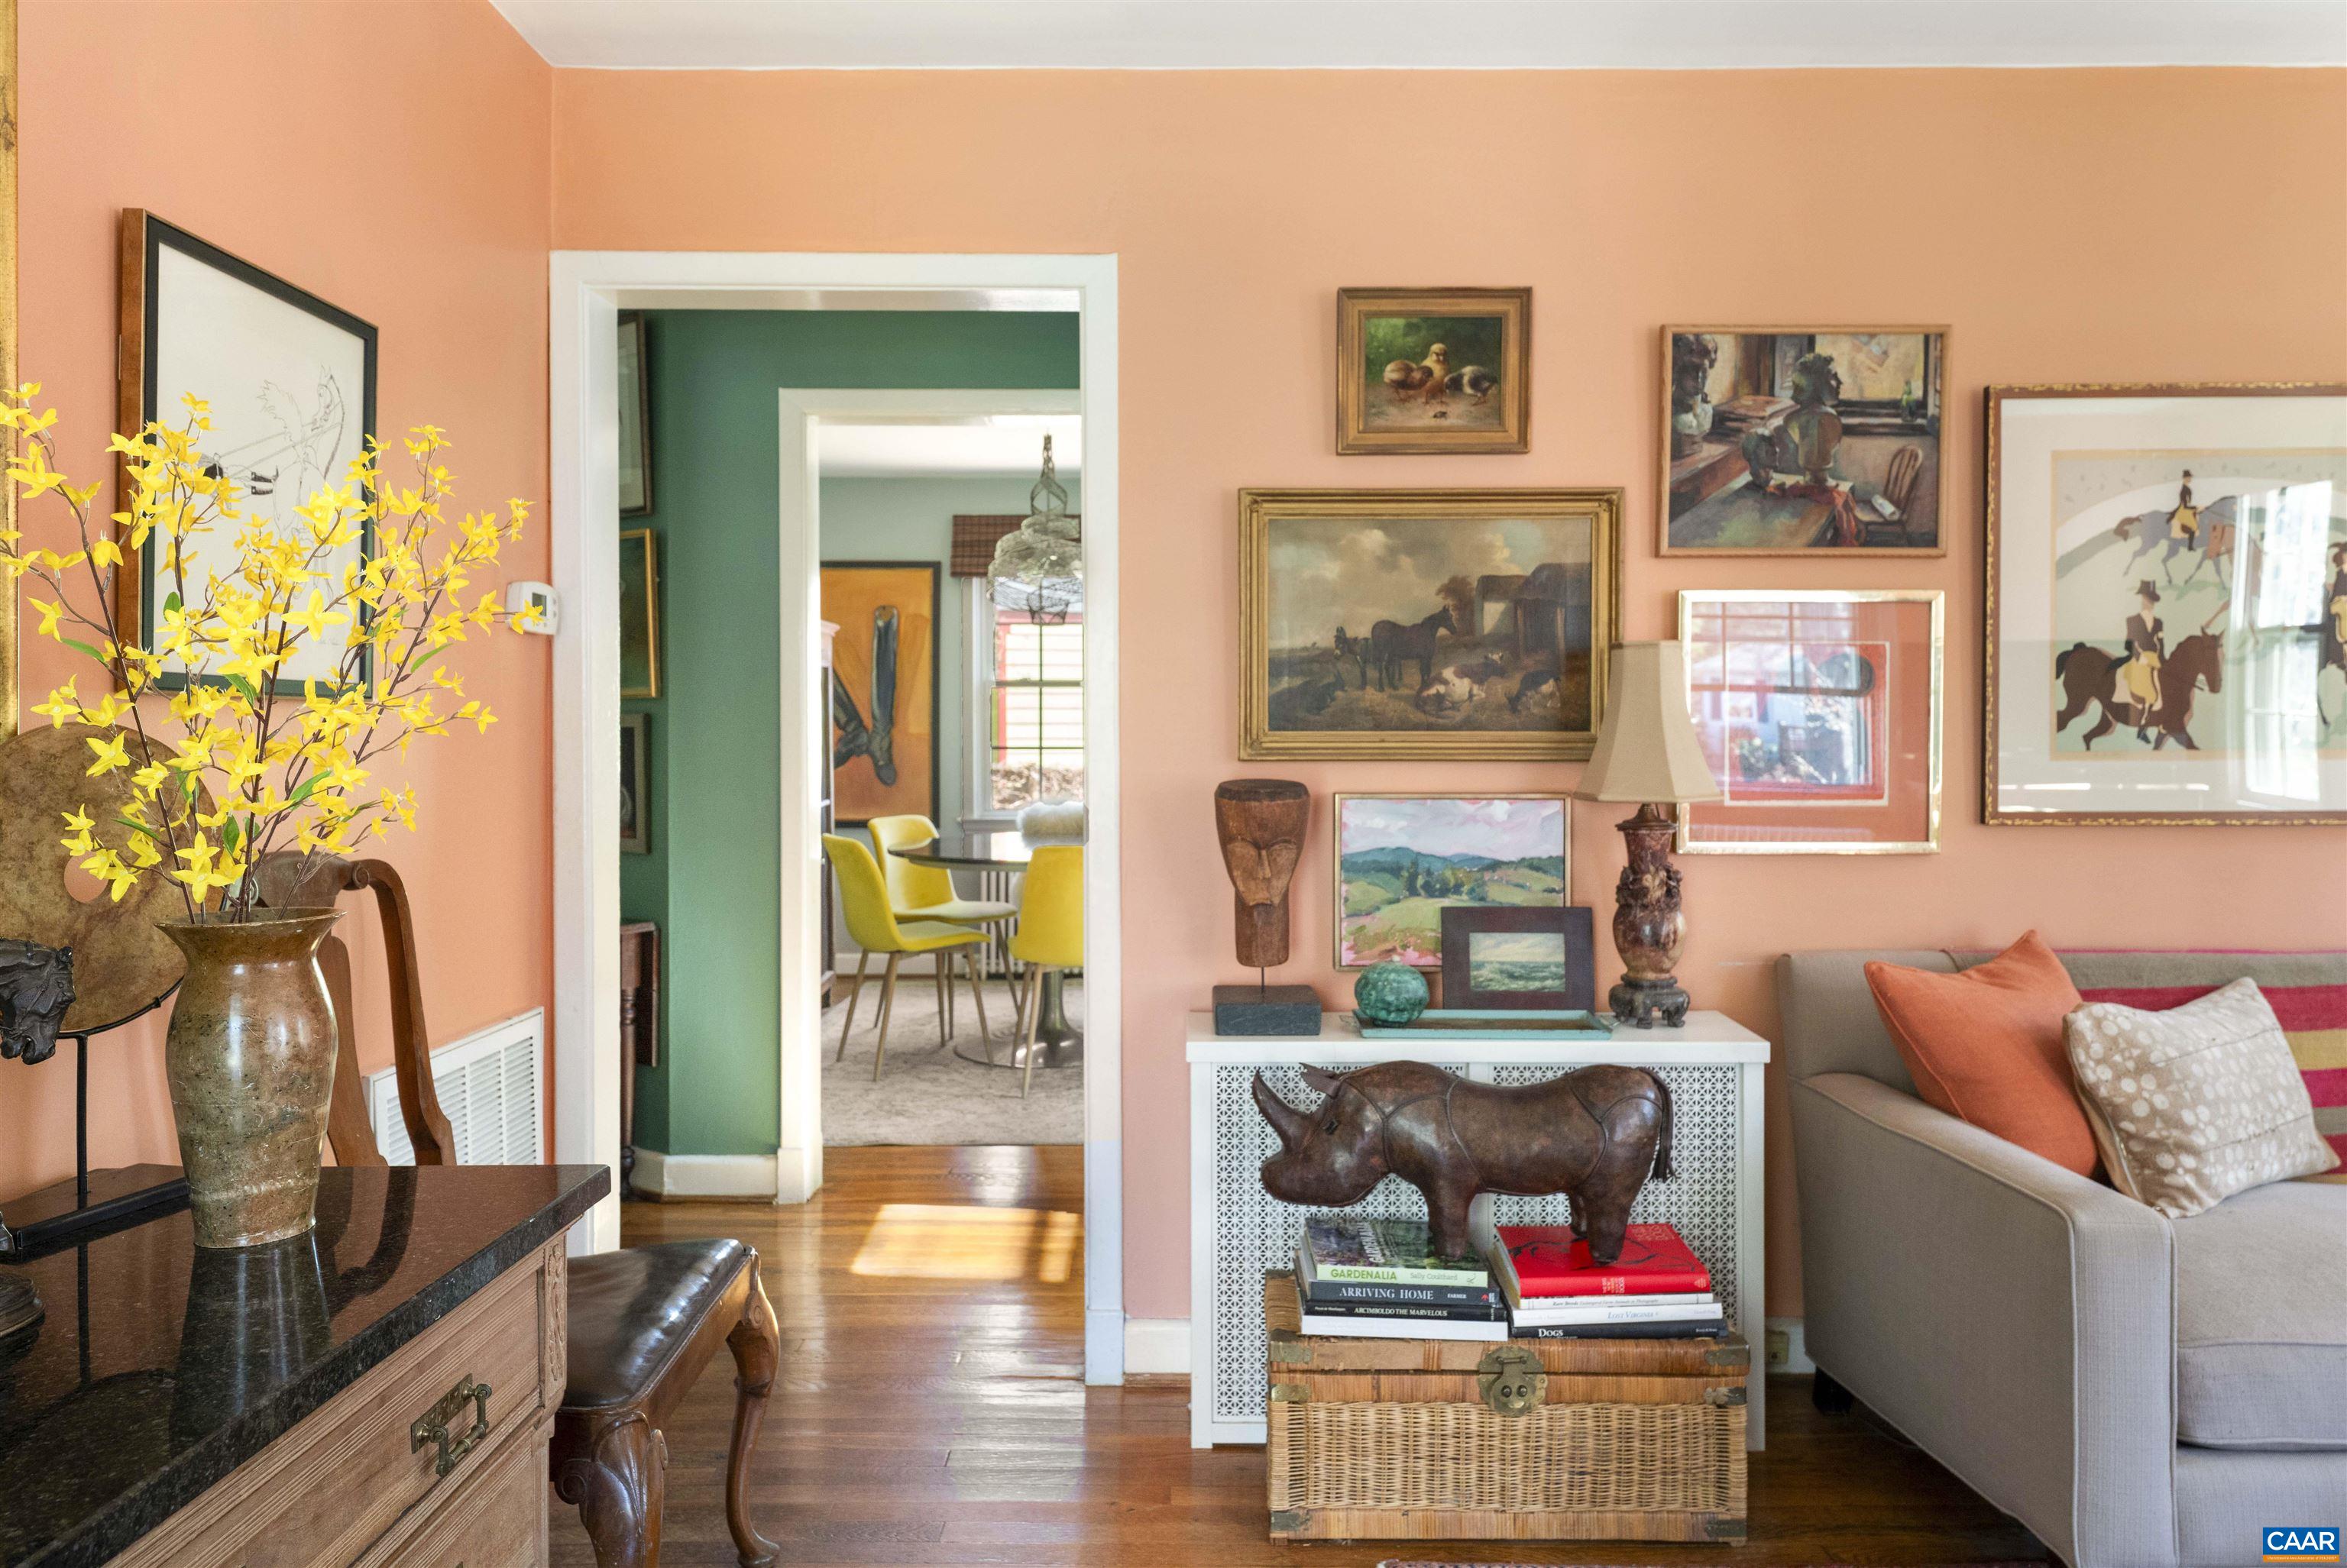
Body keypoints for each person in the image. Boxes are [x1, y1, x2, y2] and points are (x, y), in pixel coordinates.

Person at [2119, 580, 2165, 736]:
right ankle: (2142, 722)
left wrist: (2163, 662)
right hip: (2139, 659)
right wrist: (2140, 658)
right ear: (2142, 599)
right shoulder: (2132, 620)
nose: (2148, 602)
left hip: (2154, 659)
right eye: (2146, 598)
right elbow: (2128, 644)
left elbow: (2161, 644)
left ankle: (2159, 720)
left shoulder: (2158, 622)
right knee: (2149, 690)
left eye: (2151, 599)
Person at [2168, 470, 2200, 545]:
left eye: (2190, 478)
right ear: (2185, 478)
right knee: (2194, 526)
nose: (2190, 479)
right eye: (2189, 478)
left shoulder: (2186, 488)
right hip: (2183, 509)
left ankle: (2190, 545)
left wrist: (2193, 507)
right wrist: (2193, 508)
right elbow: (2185, 504)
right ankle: (2190, 546)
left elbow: (2188, 502)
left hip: (2185, 508)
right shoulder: (2184, 489)